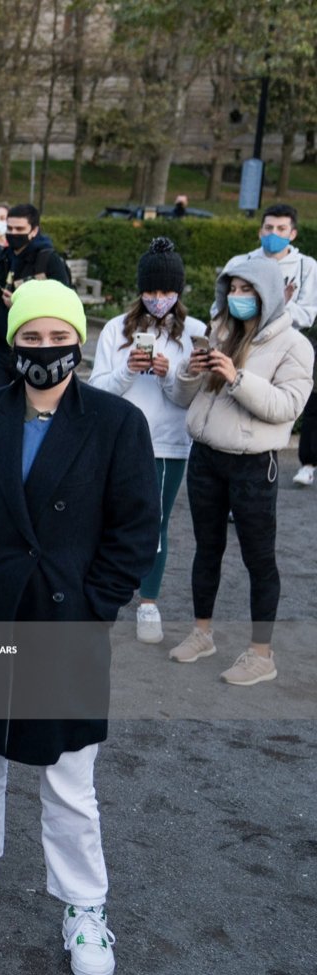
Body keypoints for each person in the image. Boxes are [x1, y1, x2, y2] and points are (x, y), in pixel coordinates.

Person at [0, 279, 159, 975]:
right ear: (10, 341)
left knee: (69, 772)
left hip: (65, 618)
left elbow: (136, 528)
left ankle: (85, 905)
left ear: (79, 342)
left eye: (58, 337)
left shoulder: (117, 423)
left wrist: (96, 605)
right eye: (31, 336)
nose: (45, 350)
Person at [165, 257, 313, 685]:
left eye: (247, 290)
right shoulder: (220, 331)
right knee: (205, 549)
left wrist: (236, 377)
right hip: (206, 457)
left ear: (266, 293)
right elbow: (181, 398)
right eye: (232, 289)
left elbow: (287, 407)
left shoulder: (295, 345)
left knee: (259, 559)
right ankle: (202, 633)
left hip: (254, 465)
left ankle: (261, 654)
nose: (238, 297)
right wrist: (189, 371)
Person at [89, 238, 204, 644]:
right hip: (118, 440)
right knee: (104, 518)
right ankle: (102, 593)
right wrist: (128, 371)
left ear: (178, 291)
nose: (158, 299)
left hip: (169, 444)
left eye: (166, 291)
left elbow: (189, 397)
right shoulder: (116, 329)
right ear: (140, 290)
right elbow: (97, 389)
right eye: (151, 291)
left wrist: (169, 373)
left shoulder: (194, 333)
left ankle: (149, 603)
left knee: (155, 525)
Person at [219, 205, 317, 485]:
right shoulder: (241, 261)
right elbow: (224, 304)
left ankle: (293, 466)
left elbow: (307, 313)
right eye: (269, 228)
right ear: (260, 230)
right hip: (243, 341)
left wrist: (274, 307)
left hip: (285, 345)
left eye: (281, 229)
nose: (273, 234)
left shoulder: (306, 266)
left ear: (293, 233)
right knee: (235, 398)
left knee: (272, 407)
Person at [0, 202, 72, 389]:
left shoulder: (48, 260)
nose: (13, 233)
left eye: (19, 229)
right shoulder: (0, 259)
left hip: (34, 349)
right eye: (9, 228)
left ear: (34, 231)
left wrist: (20, 304)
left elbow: (64, 303)